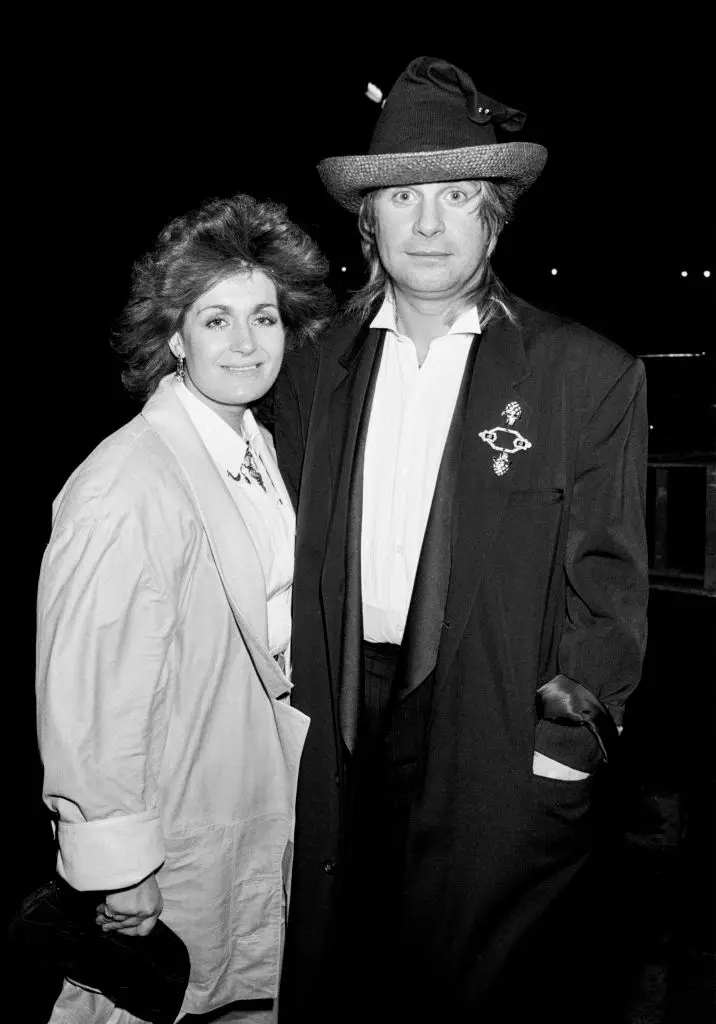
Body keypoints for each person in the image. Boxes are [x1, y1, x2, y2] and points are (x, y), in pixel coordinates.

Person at [273, 56, 649, 1023]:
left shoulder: (584, 372)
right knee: (338, 968)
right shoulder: (312, 364)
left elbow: (608, 584)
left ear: (495, 216)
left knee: (473, 986)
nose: (430, 224)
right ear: (371, 220)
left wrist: (567, 748)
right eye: (404, 197)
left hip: (490, 718)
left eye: (457, 195)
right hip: (339, 710)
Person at [35, 193, 334, 1023]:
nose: (246, 344)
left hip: (241, 801)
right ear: (174, 335)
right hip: (172, 829)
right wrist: (119, 863)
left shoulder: (254, 446)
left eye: (264, 318)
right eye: (216, 320)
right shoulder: (128, 481)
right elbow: (90, 690)